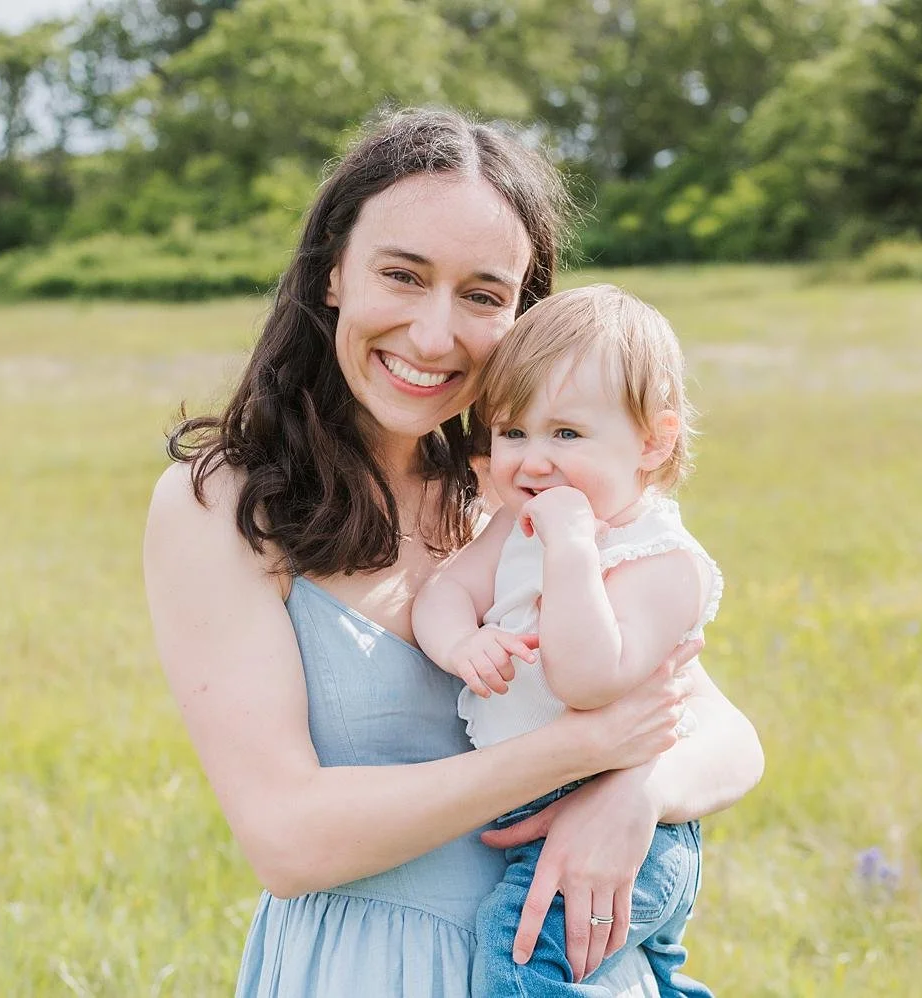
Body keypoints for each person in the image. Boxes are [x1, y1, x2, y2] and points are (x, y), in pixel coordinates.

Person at [142, 106, 763, 997]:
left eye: (482, 295)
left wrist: (634, 794)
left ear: (523, 316)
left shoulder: (532, 494)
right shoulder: (229, 505)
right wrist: (572, 756)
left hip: (570, 969)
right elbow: (287, 839)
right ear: (331, 276)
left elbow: (726, 735)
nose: (436, 336)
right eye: (402, 275)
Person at [413, 284, 720, 997]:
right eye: (514, 433)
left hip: (626, 818)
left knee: (518, 947)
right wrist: (461, 643)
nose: (532, 460)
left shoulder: (662, 562)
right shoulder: (513, 526)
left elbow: (587, 679)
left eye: (567, 435)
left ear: (653, 441)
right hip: (535, 802)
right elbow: (446, 593)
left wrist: (573, 549)